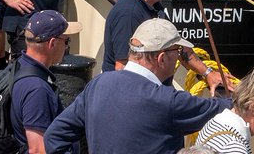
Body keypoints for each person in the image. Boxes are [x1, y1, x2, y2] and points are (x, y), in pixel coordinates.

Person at [43, 19, 233, 154]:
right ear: (162, 58)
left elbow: (54, 136)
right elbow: (227, 107)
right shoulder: (167, 101)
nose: (179, 56)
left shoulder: (98, 85)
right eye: (177, 51)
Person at [102, 0, 229, 93]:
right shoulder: (128, 14)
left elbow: (180, 48)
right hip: (138, 98)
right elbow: (122, 69)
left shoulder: (155, 6)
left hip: (157, 92)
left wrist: (208, 73)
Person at [8, 10, 82, 153]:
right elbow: (37, 150)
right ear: (52, 43)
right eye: (66, 41)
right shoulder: (37, 90)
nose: (67, 47)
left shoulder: (19, 66)